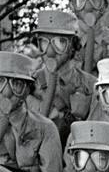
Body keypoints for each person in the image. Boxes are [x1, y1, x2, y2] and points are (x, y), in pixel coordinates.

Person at [0, 50, 64, 172]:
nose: (6, 92)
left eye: (16, 84)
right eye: (1, 82)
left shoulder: (45, 128)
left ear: (27, 89)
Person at [26, 10, 96, 143]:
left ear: (73, 45)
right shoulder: (28, 86)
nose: (50, 51)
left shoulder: (91, 86)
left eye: (59, 42)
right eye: (44, 42)